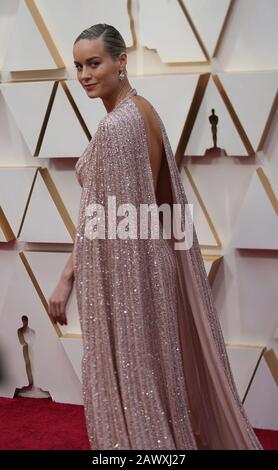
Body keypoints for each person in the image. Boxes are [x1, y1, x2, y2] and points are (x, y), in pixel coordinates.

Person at [48, 24, 263, 450]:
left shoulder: (116, 127)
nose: (85, 74)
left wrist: (66, 278)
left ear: (120, 61)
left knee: (133, 385)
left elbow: (101, 218)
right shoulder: (143, 110)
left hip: (125, 279)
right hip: (150, 266)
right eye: (78, 66)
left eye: (95, 63)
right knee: (155, 383)